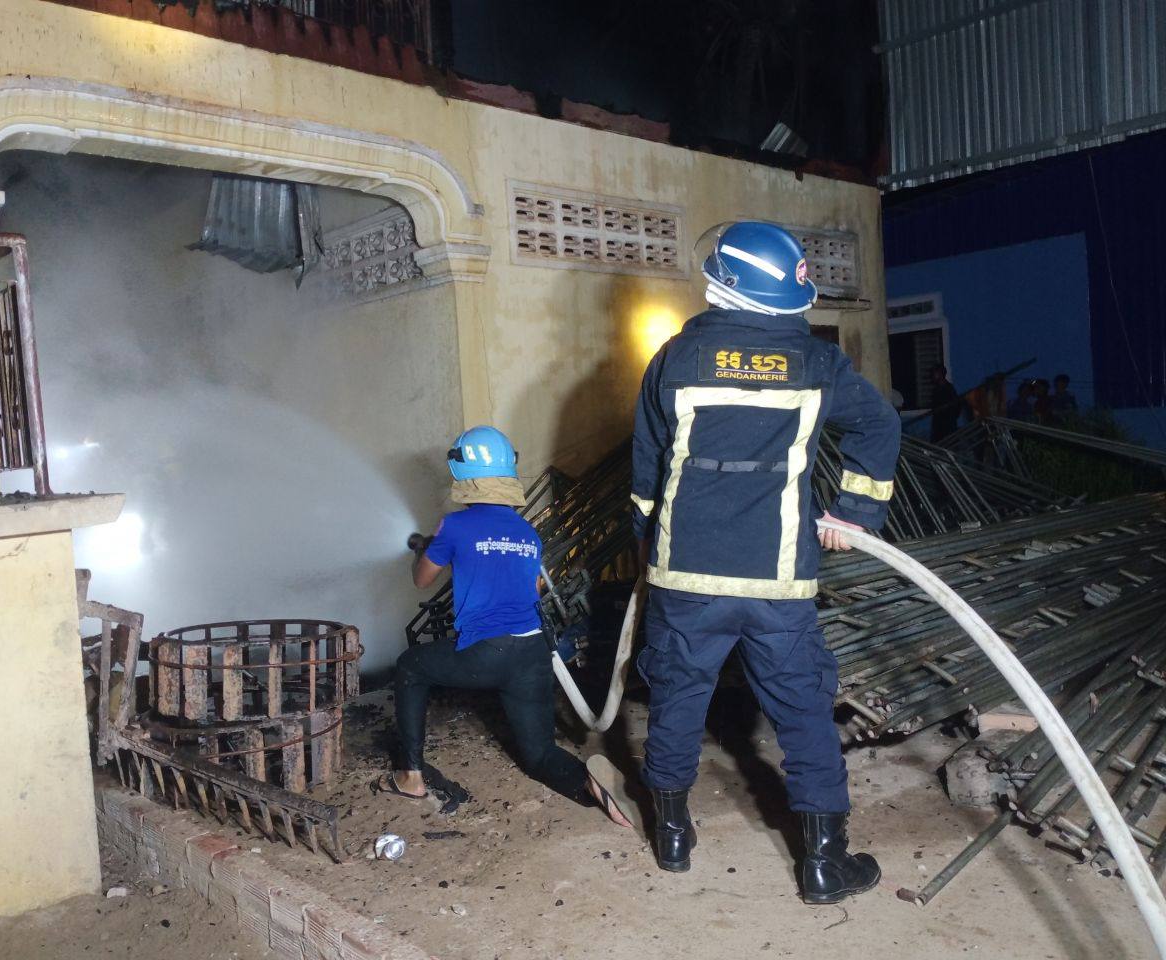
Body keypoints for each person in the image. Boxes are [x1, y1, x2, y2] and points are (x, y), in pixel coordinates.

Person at [630, 221, 900, 904]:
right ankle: (824, 865)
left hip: (685, 576)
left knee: (677, 700)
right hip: (778, 580)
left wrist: (646, 546)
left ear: (724, 282)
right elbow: (879, 425)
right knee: (803, 715)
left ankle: (672, 837)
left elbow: (646, 474)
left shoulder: (674, 357)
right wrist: (853, 513)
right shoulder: (816, 362)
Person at [380, 425, 631, 827]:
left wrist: (424, 550)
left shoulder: (453, 526)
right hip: (533, 652)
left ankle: (410, 777)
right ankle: (589, 785)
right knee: (540, 755)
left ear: (462, 474)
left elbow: (422, 580)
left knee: (410, 665)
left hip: (488, 653)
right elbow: (530, 587)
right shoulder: (527, 532)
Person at [928, 364, 963, 443]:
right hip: (938, 427)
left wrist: (950, 417)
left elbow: (957, 406)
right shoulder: (936, 390)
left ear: (941, 374)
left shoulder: (949, 389)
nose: (932, 376)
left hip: (948, 426)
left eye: (935, 373)